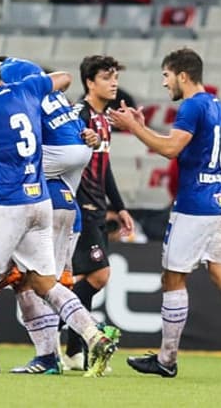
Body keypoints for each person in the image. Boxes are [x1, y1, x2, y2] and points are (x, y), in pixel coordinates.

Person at [0, 48, 117, 377]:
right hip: (41, 199)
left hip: (8, 202)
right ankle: (93, 336)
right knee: (44, 282)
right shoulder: (29, 88)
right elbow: (63, 79)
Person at [109, 48, 221, 380]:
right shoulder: (214, 103)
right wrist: (142, 125)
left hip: (196, 205)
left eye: (166, 76)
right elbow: (180, 144)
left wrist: (131, 128)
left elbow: (170, 149)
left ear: (182, 75)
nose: (164, 83)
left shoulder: (191, 106)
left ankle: (167, 359)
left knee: (172, 277)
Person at [0, 57, 113, 375]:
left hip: (41, 199)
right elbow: (78, 135)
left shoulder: (15, 92)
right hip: (68, 200)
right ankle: (78, 342)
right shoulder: (59, 100)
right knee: (55, 281)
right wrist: (90, 138)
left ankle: (62, 349)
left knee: (28, 284)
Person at [61, 55, 135, 370]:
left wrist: (119, 206)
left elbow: (103, 170)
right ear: (90, 82)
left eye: (115, 76)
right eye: (106, 77)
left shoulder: (104, 120)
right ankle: (52, 319)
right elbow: (66, 158)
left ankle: (75, 350)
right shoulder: (78, 115)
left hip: (97, 208)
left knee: (90, 276)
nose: (114, 82)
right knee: (99, 275)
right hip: (80, 206)